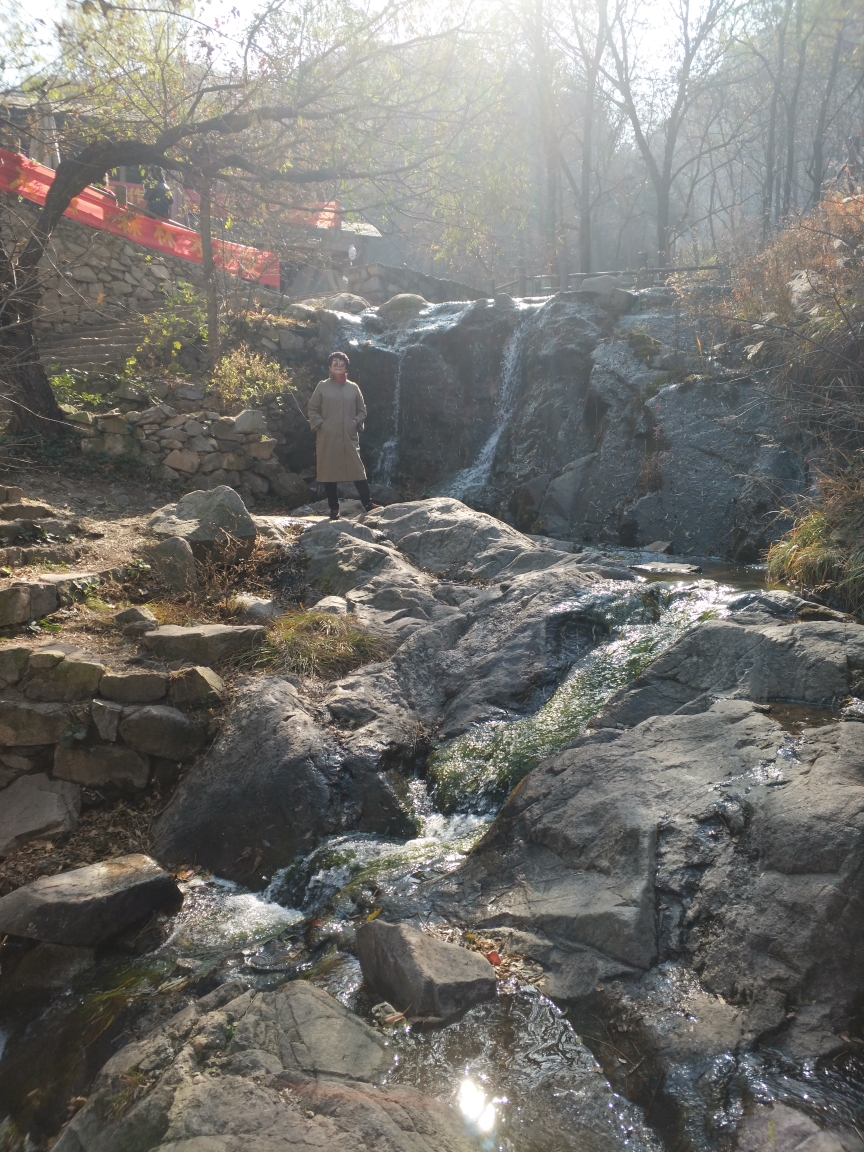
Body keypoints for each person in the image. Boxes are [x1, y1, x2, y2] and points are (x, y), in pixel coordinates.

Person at [307, 351, 379, 520]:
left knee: (358, 469)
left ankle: (368, 503)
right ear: (329, 367)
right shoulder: (322, 386)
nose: (338, 364)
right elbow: (312, 409)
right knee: (328, 471)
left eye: (341, 362)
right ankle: (334, 508)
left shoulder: (353, 388)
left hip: (349, 435)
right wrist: (322, 425)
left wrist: (354, 423)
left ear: (346, 366)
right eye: (334, 362)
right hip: (328, 436)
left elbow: (362, 411)